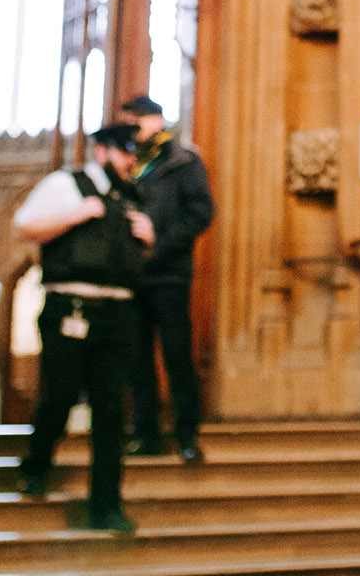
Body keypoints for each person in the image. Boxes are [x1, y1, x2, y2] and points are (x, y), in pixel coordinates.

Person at [14, 124, 152, 533]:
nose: (131, 162)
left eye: (135, 155)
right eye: (126, 153)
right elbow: (24, 227)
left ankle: (106, 505)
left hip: (118, 313)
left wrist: (149, 237)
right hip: (70, 307)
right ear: (103, 150)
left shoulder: (132, 197)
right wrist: (75, 215)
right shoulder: (66, 184)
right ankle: (35, 466)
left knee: (110, 410)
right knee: (59, 396)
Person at [120, 94, 214, 463]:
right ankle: (145, 433)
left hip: (169, 275)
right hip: (131, 276)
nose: (132, 132)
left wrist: (158, 236)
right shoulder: (128, 162)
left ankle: (187, 434)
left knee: (177, 357)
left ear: (154, 120)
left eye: (135, 123)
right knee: (137, 360)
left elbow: (201, 212)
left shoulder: (184, 161)